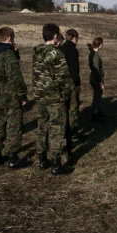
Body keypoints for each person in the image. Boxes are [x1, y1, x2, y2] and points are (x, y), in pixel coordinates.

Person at [32, 23, 74, 175]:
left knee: (42, 126)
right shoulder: (57, 54)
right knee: (56, 129)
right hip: (55, 98)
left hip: (40, 96)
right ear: (55, 36)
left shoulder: (36, 52)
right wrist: (68, 92)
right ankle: (56, 164)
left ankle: (42, 158)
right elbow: (64, 77)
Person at [0, 27, 30, 168]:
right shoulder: (8, 54)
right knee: (14, 125)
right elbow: (15, 77)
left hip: (0, 93)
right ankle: (13, 158)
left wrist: (16, 53)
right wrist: (22, 94)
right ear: (10, 37)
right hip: (11, 95)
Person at [58, 29, 81, 161]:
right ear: (75, 38)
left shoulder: (61, 49)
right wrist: (77, 84)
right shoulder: (72, 50)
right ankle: (73, 133)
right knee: (73, 109)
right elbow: (74, 69)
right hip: (70, 84)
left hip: (60, 84)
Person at [88, 37, 104, 121]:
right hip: (96, 79)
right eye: (102, 43)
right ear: (99, 44)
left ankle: (97, 112)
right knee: (97, 97)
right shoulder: (95, 56)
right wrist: (100, 82)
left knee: (97, 96)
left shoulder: (93, 53)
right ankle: (94, 114)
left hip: (94, 78)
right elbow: (97, 69)